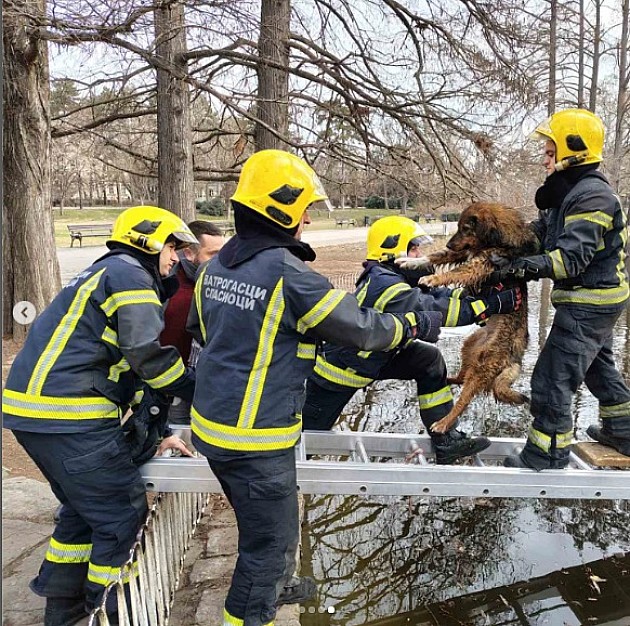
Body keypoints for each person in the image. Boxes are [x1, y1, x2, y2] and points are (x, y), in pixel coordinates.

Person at [186, 150, 461, 626]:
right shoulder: (287, 275)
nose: (308, 218)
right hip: (256, 437)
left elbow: (201, 330)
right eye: (303, 208)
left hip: (214, 425)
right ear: (281, 209)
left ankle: (281, 583)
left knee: (274, 524)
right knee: (263, 549)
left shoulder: (216, 268)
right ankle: (255, 610)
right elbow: (363, 330)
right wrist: (416, 323)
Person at [2, 206, 199, 625]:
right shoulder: (132, 277)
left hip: (37, 414)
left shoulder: (106, 272)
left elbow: (124, 366)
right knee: (120, 514)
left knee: (82, 509)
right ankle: (107, 608)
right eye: (171, 246)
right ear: (147, 239)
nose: (175, 257)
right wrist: (197, 388)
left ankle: (64, 607)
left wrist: (154, 431)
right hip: (69, 415)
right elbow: (147, 356)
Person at [302, 215, 523, 464]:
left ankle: (446, 438)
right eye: (414, 248)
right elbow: (435, 310)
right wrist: (489, 305)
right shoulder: (385, 285)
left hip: (374, 357)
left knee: (428, 360)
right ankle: (283, 469)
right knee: (307, 437)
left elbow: (440, 295)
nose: (419, 254)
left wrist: (478, 291)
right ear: (392, 248)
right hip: (339, 372)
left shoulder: (396, 276)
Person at [487, 108, 630, 470]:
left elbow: (571, 260)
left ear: (574, 150)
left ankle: (546, 454)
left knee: (552, 378)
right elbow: (540, 235)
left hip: (590, 301)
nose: (544, 159)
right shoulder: (567, 192)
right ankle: (623, 429)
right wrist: (503, 244)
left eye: (550, 152)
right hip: (595, 298)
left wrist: (522, 267)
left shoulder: (592, 197)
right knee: (598, 369)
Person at [160, 220, 225, 424]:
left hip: (208, 384)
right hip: (170, 387)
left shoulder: (221, 284)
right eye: (213, 254)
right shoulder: (166, 284)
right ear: (188, 253)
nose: (221, 260)